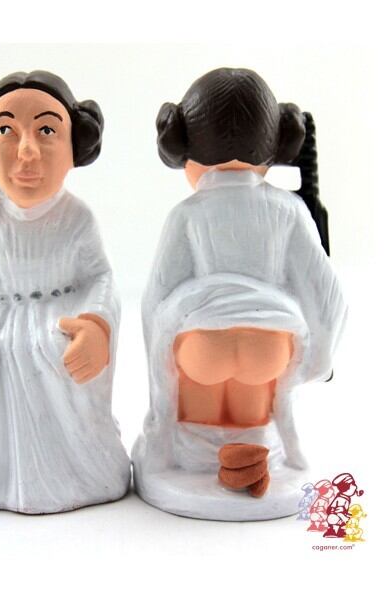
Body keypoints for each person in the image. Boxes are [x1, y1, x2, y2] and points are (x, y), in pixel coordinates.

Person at [132, 68, 347, 521]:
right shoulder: (288, 209)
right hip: (270, 345)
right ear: (275, 144)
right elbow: (325, 290)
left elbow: (157, 295)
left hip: (200, 346)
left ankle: (200, 463)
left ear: (182, 144)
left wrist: (157, 361)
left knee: (200, 422)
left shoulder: (188, 214)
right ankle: (252, 460)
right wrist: (319, 358)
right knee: (252, 422)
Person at [0, 71, 130, 514]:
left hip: (58, 320)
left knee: (52, 355)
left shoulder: (77, 218)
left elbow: (101, 278)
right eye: (5, 131)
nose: (27, 151)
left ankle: (78, 471)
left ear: (75, 147)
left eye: (47, 131)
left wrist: (96, 324)